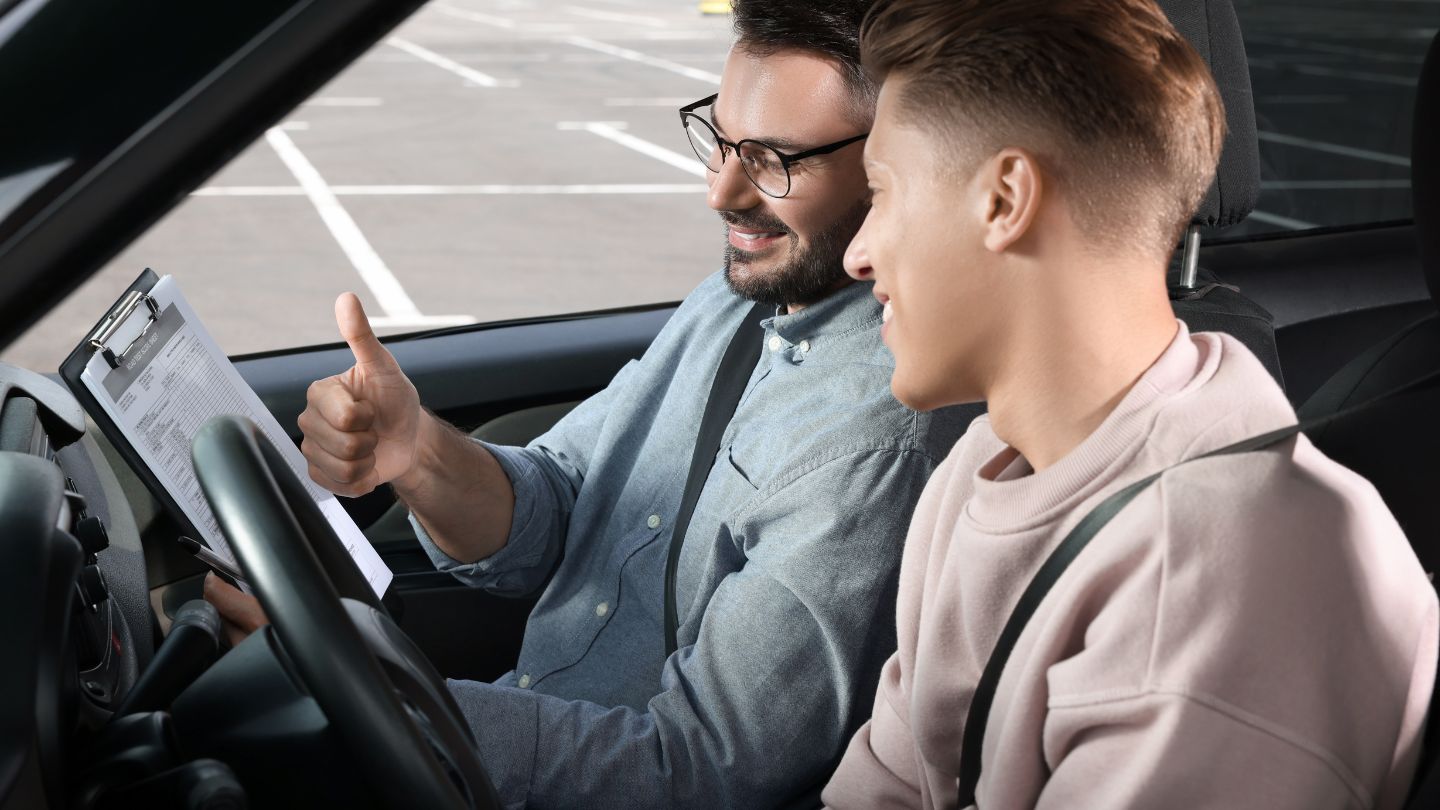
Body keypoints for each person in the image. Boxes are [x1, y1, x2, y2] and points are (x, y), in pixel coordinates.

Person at [204, 0, 979, 806]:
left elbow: (701, 771)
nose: (721, 192)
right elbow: (564, 501)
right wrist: (418, 452)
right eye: (718, 140)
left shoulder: (875, 442)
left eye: (776, 160)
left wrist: (375, 693)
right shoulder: (733, 303)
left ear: (896, 162)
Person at [821, 0, 1439, 807]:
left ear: (1006, 198)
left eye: (881, 193)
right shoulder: (987, 462)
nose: (858, 253)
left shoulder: (1221, 598)